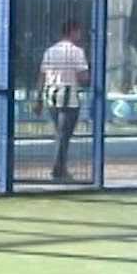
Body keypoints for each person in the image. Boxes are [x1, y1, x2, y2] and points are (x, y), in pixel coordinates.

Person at [33, 20, 90, 182]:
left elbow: (42, 75)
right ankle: (58, 168)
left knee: (60, 132)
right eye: (78, 32)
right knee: (64, 134)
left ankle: (60, 167)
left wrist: (38, 98)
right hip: (68, 95)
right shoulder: (77, 51)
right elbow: (83, 76)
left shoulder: (50, 51)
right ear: (72, 32)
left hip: (51, 94)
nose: (80, 35)